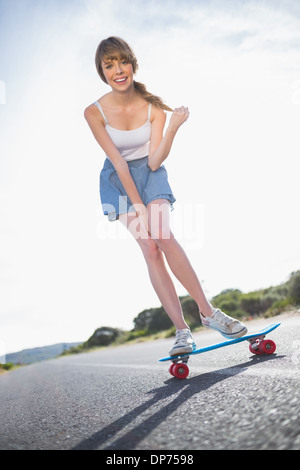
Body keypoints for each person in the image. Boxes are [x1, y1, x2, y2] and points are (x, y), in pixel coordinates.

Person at [84, 36, 247, 356]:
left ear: (133, 64)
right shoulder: (94, 111)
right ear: (102, 72)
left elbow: (156, 160)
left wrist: (173, 128)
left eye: (122, 62)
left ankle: (209, 313)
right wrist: (138, 207)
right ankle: (182, 331)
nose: (118, 70)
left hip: (151, 172)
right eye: (109, 65)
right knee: (149, 248)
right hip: (118, 181)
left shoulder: (153, 107)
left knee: (163, 235)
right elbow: (118, 161)